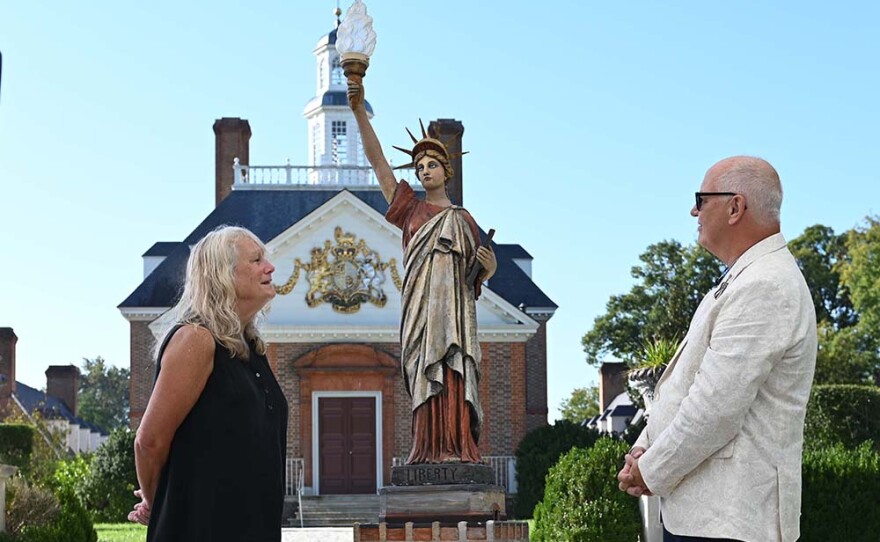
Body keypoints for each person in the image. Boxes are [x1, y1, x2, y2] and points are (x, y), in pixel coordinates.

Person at [617, 156, 817, 542]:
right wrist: (644, 451)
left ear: (735, 207)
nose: (694, 210)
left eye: (701, 198)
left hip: (731, 522)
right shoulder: (745, 281)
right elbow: (686, 391)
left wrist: (650, 469)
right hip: (714, 518)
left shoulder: (765, 286)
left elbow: (714, 408)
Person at [347, 78, 496, 464]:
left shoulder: (462, 220)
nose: (424, 171)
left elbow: (472, 281)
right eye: (419, 167)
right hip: (420, 312)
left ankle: (457, 449)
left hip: (454, 317)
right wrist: (359, 112)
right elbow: (378, 162)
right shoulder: (411, 211)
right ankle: (427, 449)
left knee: (451, 373)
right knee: (423, 374)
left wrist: (488, 270)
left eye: (432, 165)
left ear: (447, 171)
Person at [128, 225, 288, 542]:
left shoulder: (252, 349)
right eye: (257, 260)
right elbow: (149, 442)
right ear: (222, 274)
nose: (269, 267)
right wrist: (157, 502)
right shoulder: (197, 340)